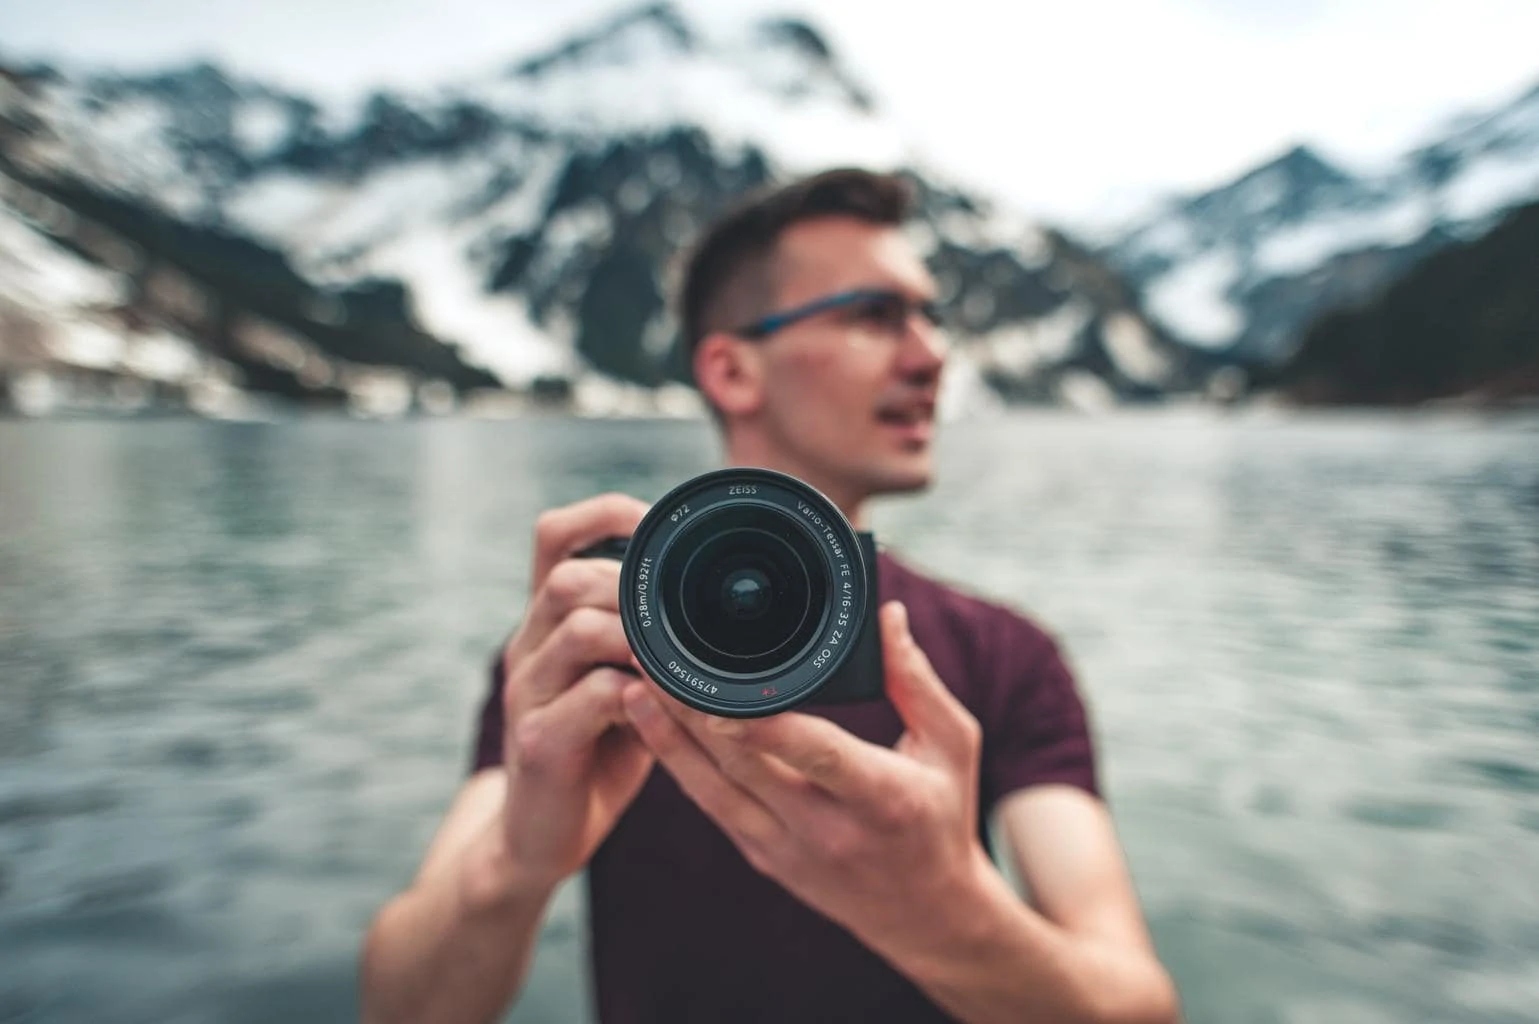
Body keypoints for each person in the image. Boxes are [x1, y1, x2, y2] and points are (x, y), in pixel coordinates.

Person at [360, 169, 1180, 1024]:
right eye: (873, 314)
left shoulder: (1003, 654)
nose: (931, 353)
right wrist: (512, 868)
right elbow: (398, 1012)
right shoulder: (589, 650)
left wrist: (946, 915)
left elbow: (1140, 1007)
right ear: (730, 369)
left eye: (929, 316)